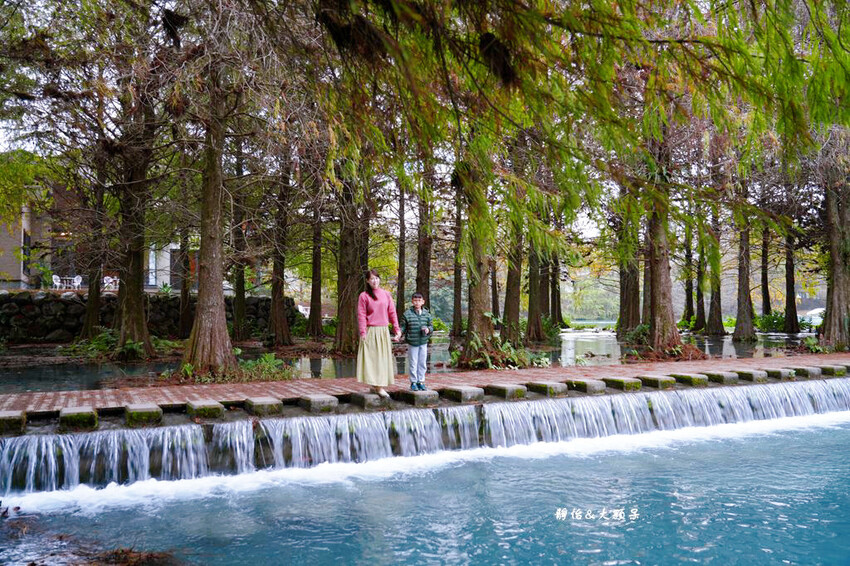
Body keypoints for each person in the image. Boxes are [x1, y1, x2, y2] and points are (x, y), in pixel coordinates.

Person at [357, 269, 401, 398]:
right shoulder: (364, 296)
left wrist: (397, 329)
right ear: (367, 281)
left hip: (383, 331)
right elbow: (361, 315)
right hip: (371, 331)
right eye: (372, 279)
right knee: (372, 359)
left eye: (376, 278)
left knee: (382, 359)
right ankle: (377, 386)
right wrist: (363, 332)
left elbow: (392, 312)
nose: (375, 281)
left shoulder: (386, 294)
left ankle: (378, 385)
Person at [401, 292, 434, 391]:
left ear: (423, 302)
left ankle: (421, 381)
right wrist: (399, 333)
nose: (417, 302)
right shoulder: (407, 314)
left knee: (422, 363)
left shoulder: (427, 315)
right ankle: (413, 382)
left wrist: (428, 330)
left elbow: (431, 327)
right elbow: (403, 327)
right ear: (412, 301)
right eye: (415, 300)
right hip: (412, 342)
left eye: (419, 300)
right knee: (413, 362)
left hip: (423, 341)